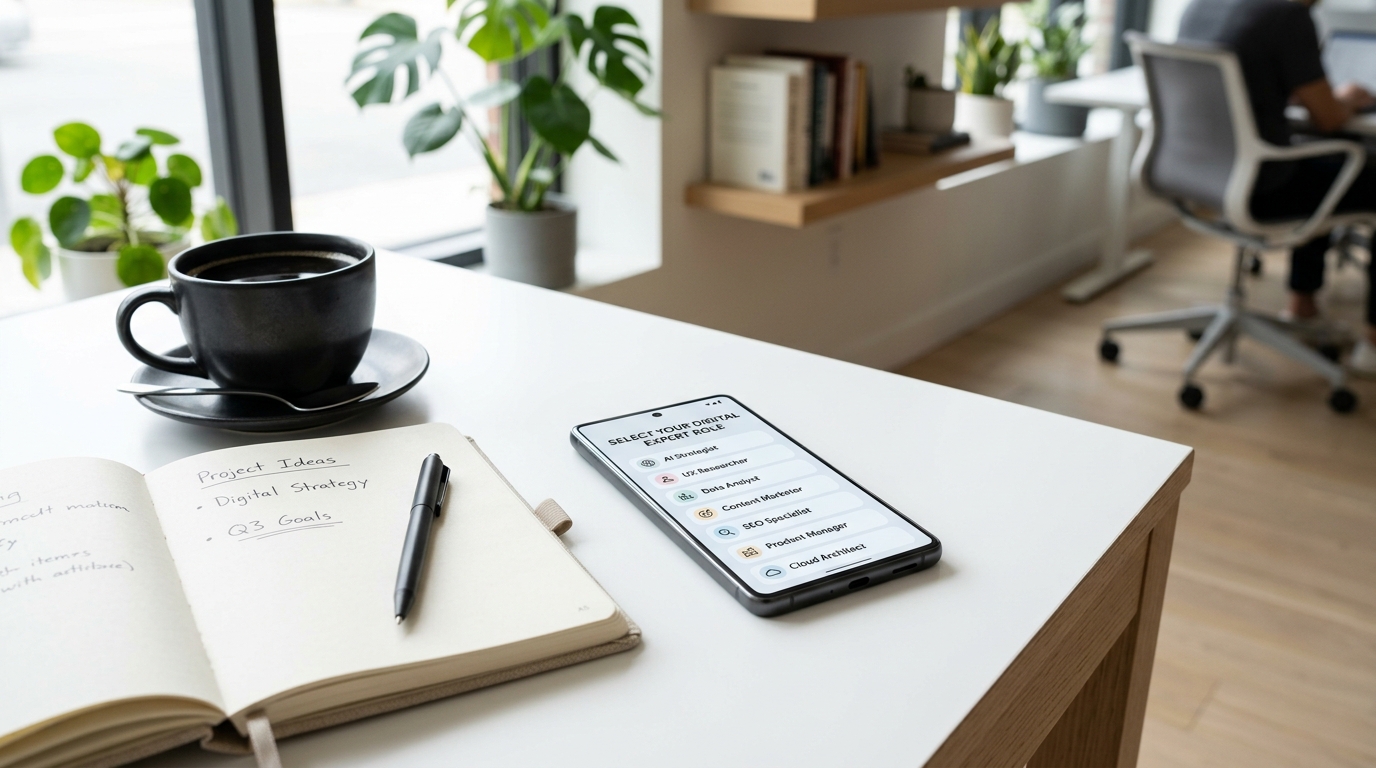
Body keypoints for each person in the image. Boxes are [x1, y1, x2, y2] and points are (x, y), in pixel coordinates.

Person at [1179, 0, 1376, 375]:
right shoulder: (1288, 16)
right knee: (1349, 170)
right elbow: (1330, 118)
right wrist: (1348, 97)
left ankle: (1302, 306)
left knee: (1323, 166)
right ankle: (1372, 344)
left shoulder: (1201, 6)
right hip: (1261, 188)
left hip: (1198, 177)